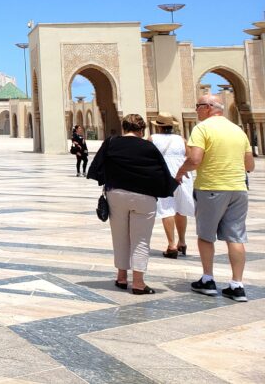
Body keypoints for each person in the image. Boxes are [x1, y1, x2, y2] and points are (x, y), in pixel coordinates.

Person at [87, 113, 178, 295]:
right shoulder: (149, 147)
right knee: (141, 240)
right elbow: (161, 173)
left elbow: (96, 168)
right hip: (144, 198)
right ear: (142, 130)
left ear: (123, 128)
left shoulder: (111, 143)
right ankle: (138, 282)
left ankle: (121, 277)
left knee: (120, 236)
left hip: (117, 195)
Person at [175, 94, 255, 302]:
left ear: (209, 107)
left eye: (199, 106)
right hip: (238, 189)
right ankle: (237, 285)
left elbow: (194, 159)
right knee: (235, 237)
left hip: (211, 188)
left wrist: (180, 172)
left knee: (206, 235)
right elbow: (250, 166)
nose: (197, 110)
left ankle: (208, 279)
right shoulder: (238, 131)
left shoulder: (202, 129)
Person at [150, 113, 195, 258]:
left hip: (164, 176)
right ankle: (182, 242)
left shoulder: (153, 139)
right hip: (182, 177)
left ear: (158, 126)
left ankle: (172, 245)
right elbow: (190, 157)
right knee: (180, 209)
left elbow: (147, 156)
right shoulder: (182, 140)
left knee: (166, 208)